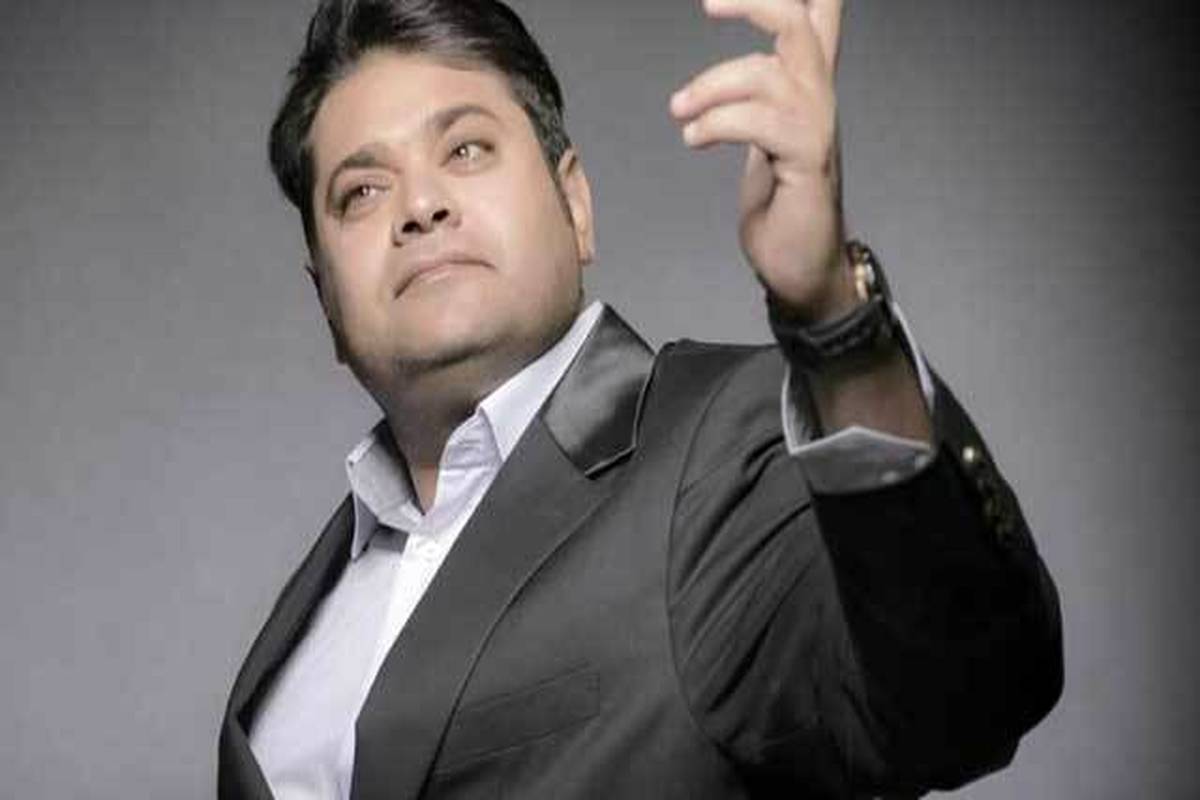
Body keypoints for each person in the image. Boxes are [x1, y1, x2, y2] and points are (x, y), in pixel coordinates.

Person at [218, 0, 1063, 797]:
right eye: (361, 193)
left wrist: (833, 317)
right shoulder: (296, 632)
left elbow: (965, 691)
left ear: (576, 205)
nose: (420, 205)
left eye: (466, 150)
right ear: (326, 301)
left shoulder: (725, 448)